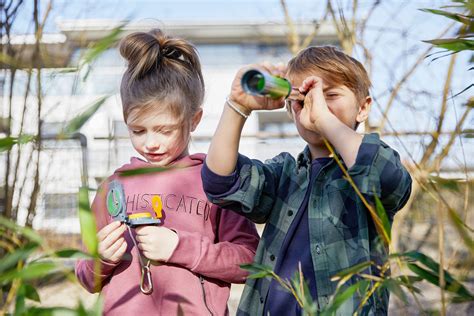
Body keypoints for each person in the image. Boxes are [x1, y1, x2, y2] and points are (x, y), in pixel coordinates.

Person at [201, 46, 412, 315]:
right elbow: (221, 183)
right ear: (291, 111)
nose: (315, 104)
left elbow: (388, 179)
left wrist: (325, 119)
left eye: (331, 95)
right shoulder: (284, 173)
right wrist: (237, 105)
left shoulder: (372, 163)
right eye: (304, 98)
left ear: (363, 108)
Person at [75, 28, 259, 316]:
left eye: (165, 130)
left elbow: (250, 261)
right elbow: (86, 276)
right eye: (138, 130)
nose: (150, 143)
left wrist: (180, 247)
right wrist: (101, 261)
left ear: (194, 119)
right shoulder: (113, 188)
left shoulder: (215, 182)